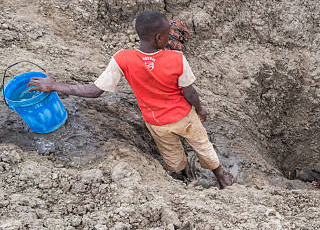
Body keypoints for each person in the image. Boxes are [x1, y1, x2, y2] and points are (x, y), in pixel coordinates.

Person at [27, 10, 234, 189]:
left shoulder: (122, 58)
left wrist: (53, 86)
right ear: (159, 38)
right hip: (184, 117)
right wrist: (200, 109)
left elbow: (93, 91)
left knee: (170, 151)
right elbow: (189, 93)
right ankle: (221, 176)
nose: (170, 38)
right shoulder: (177, 59)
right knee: (202, 145)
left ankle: (185, 176)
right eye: (167, 35)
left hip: (157, 122)